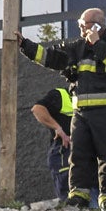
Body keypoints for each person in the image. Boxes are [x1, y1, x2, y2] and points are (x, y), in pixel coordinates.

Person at [18, 6, 106, 211]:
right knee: (78, 155)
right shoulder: (77, 47)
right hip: (81, 113)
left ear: (97, 26)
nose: (80, 28)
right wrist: (25, 45)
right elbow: (51, 57)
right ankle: (78, 195)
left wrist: (97, 43)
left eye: (83, 25)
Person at [30, 74, 77, 203]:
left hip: (83, 153)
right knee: (70, 197)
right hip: (64, 151)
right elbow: (37, 109)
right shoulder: (61, 95)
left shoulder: (89, 101)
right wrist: (58, 128)